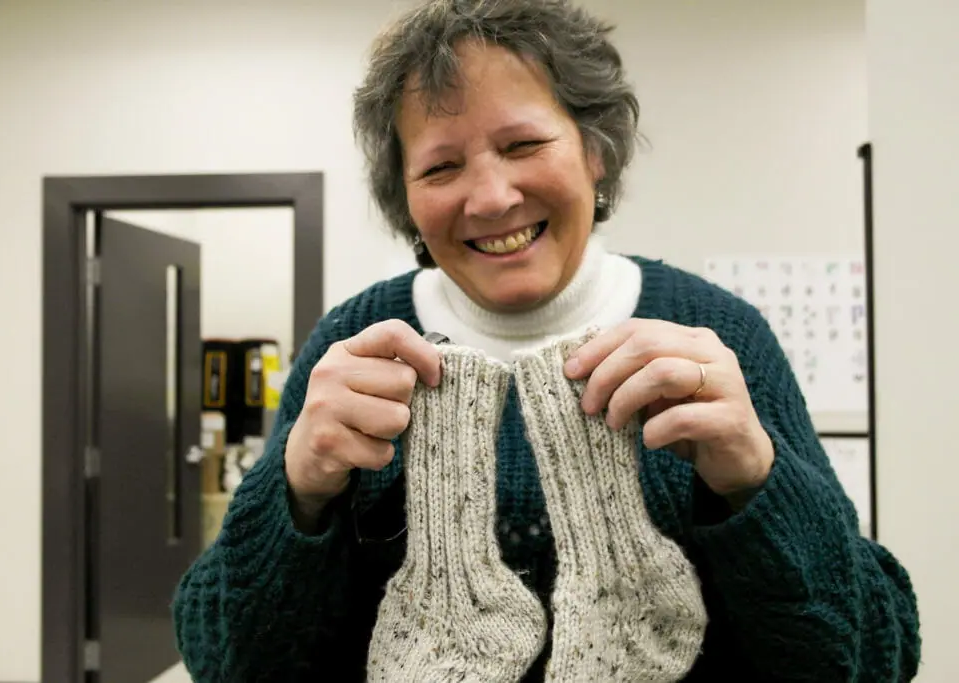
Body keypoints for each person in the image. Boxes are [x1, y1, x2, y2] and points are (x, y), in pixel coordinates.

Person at [172, 0, 921, 680]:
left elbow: (871, 656)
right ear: (406, 197)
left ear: (595, 153)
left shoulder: (717, 335)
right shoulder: (355, 344)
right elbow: (225, 658)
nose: (492, 196)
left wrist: (757, 480)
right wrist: (297, 493)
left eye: (523, 144)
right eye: (441, 164)